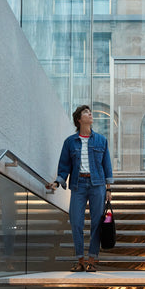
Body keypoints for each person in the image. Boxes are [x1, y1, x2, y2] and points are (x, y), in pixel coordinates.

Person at [47, 105, 113, 272]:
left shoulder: (101, 140)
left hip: (97, 184)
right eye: (86, 112)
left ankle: (92, 260)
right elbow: (64, 165)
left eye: (90, 112)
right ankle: (80, 260)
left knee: (97, 223)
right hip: (78, 184)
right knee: (76, 222)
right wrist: (57, 182)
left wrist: (109, 188)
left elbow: (107, 165)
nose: (90, 114)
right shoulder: (70, 142)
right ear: (79, 119)